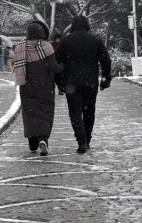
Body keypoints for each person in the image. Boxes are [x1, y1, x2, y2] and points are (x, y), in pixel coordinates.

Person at [55, 15, 112, 154]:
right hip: (90, 82)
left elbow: (57, 62)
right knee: (89, 111)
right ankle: (87, 137)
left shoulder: (66, 41)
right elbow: (106, 60)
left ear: (73, 26)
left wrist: (60, 83)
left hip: (71, 83)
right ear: (87, 25)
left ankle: (81, 141)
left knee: (75, 112)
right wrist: (105, 78)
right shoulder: (95, 40)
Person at [13, 20, 64, 155]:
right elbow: (55, 68)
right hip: (45, 86)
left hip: (26, 86)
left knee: (29, 113)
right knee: (45, 112)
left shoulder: (20, 48)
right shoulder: (46, 47)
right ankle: (43, 139)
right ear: (42, 33)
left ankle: (32, 142)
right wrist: (63, 66)